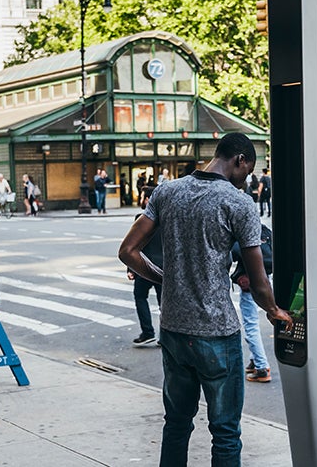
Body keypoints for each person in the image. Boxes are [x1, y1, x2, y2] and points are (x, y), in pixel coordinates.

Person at [118, 132, 292, 466]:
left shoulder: (167, 191)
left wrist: (165, 280)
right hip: (216, 332)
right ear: (240, 160)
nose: (246, 179)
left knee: (176, 424)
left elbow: (128, 251)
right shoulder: (238, 203)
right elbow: (258, 281)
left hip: (173, 330)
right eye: (248, 170)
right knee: (225, 432)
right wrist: (273, 311)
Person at [230, 224, 274, 383]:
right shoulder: (264, 230)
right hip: (267, 279)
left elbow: (233, 253)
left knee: (250, 324)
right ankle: (255, 360)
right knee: (254, 322)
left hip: (251, 283)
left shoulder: (243, 231)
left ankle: (262, 367)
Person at [128, 214, 163, 347]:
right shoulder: (168, 218)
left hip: (145, 267)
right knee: (164, 304)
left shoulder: (141, 218)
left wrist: (131, 268)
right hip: (164, 268)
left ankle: (148, 332)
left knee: (140, 297)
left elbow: (134, 246)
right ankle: (164, 336)